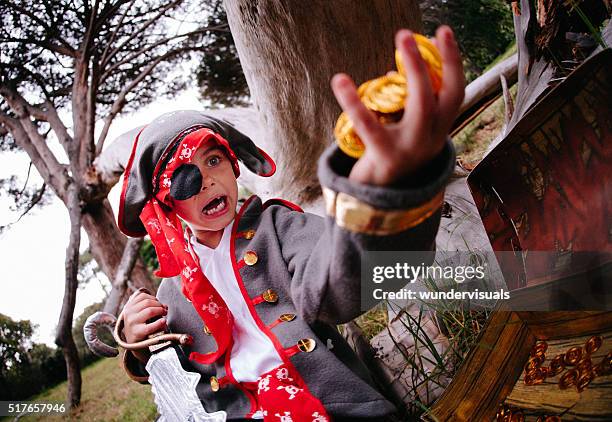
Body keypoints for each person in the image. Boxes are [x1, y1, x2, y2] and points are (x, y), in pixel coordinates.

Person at [117, 27, 464, 421]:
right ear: (166, 205)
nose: (208, 180)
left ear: (234, 165)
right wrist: (136, 342)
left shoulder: (278, 229)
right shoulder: (171, 290)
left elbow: (343, 285)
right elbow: (169, 371)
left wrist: (390, 192)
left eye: (214, 160)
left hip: (333, 408)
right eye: (185, 177)